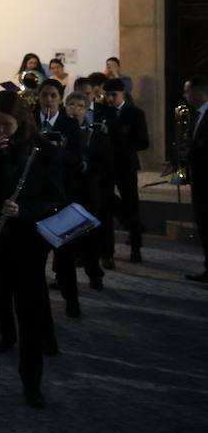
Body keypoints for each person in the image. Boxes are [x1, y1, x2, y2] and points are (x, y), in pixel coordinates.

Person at [0, 90, 65, 410]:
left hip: (27, 244)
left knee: (30, 318)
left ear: (20, 120)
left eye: (5, 124)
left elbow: (57, 198)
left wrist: (25, 211)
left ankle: (32, 386)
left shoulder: (44, 150)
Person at [60, 91, 109, 295]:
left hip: (88, 189)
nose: (75, 109)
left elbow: (105, 160)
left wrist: (87, 166)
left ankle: (94, 273)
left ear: (87, 109)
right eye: (71, 104)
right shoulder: (62, 129)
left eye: (80, 105)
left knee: (89, 235)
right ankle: (62, 277)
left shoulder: (96, 131)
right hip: (67, 189)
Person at [102, 78, 148, 264]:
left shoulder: (135, 113)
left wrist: (121, 139)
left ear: (123, 94)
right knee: (105, 206)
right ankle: (107, 251)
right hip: (106, 165)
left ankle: (136, 248)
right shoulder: (102, 112)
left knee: (131, 203)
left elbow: (143, 142)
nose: (110, 99)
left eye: (114, 95)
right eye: (107, 95)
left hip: (126, 165)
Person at [183, 75, 208, 283]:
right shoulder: (198, 114)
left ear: (198, 92)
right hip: (199, 180)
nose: (185, 95)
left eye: (187, 91)